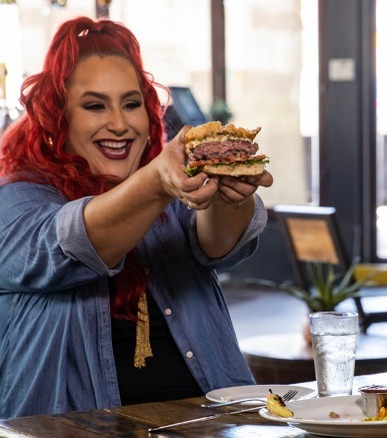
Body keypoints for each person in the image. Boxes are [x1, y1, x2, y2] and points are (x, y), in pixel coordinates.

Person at [0, 17, 273, 418]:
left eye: (131, 104)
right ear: (59, 119)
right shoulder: (17, 199)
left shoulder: (167, 188)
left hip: (210, 423)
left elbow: (218, 245)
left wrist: (228, 193)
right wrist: (156, 181)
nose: (119, 123)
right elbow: (65, 245)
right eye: (95, 106)